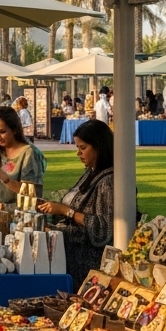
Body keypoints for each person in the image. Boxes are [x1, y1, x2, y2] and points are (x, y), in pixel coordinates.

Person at [37, 119, 115, 290]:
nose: (78, 153)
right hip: (71, 255)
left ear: (99, 147)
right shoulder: (91, 172)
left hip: (86, 265)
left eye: (83, 148)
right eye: (77, 148)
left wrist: (67, 211)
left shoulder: (107, 181)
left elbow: (104, 230)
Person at [0, 106, 46, 203]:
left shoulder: (28, 153)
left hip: (18, 212)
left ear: (14, 129)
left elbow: (33, 193)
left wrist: (1, 175)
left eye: (2, 132)